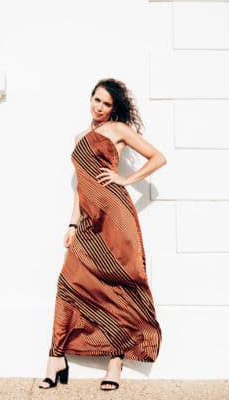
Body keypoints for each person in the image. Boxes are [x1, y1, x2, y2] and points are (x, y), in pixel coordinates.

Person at [38, 78, 166, 391]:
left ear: (114, 108)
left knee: (118, 287)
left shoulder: (119, 130)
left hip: (116, 218)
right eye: (97, 100)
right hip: (87, 221)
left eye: (107, 104)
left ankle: (115, 363)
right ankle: (56, 359)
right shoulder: (80, 136)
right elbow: (81, 187)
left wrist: (125, 179)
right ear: (90, 98)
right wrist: (72, 224)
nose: (100, 108)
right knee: (68, 282)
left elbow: (158, 158)